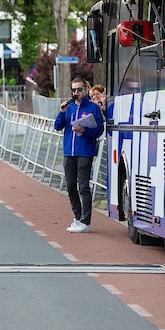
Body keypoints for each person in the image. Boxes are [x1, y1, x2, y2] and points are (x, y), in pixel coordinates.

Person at [54, 77, 104, 233]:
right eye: (73, 90)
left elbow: (99, 130)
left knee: (83, 186)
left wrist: (85, 131)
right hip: (69, 152)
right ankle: (77, 217)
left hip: (85, 152)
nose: (76, 93)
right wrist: (61, 112)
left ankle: (85, 221)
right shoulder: (68, 108)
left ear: (85, 90)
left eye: (79, 90)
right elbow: (57, 126)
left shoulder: (93, 108)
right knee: (70, 186)